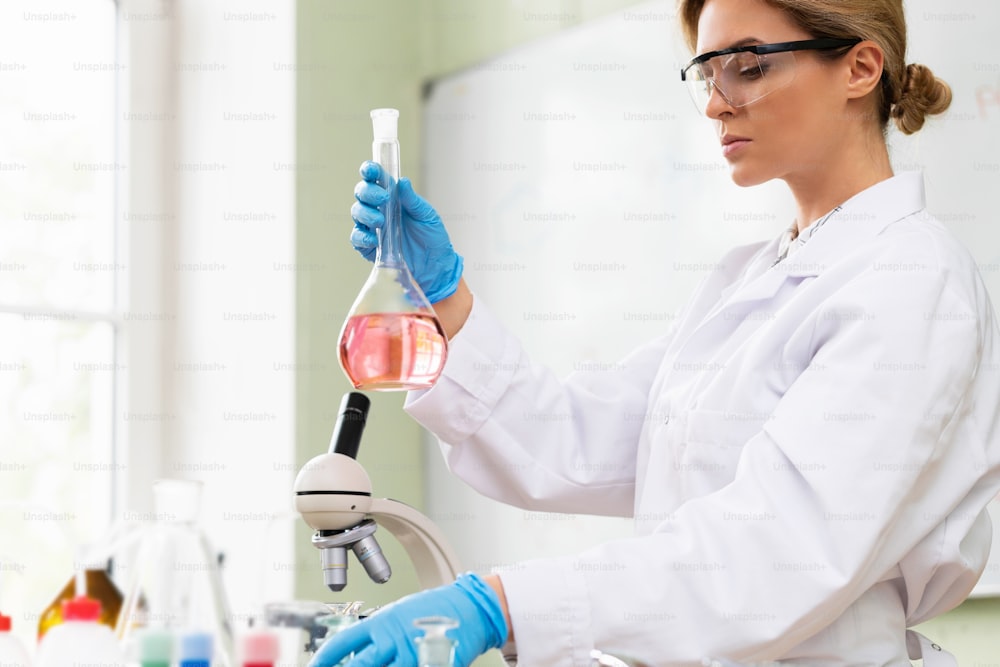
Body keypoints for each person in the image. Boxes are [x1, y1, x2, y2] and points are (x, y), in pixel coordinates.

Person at [315, 0, 1000, 665]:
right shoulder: (747, 280)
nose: (715, 103)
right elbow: (573, 441)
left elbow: (774, 552)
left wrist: (500, 603)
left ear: (860, 68)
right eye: (708, 73)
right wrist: (447, 296)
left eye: (750, 66)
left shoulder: (910, 279)